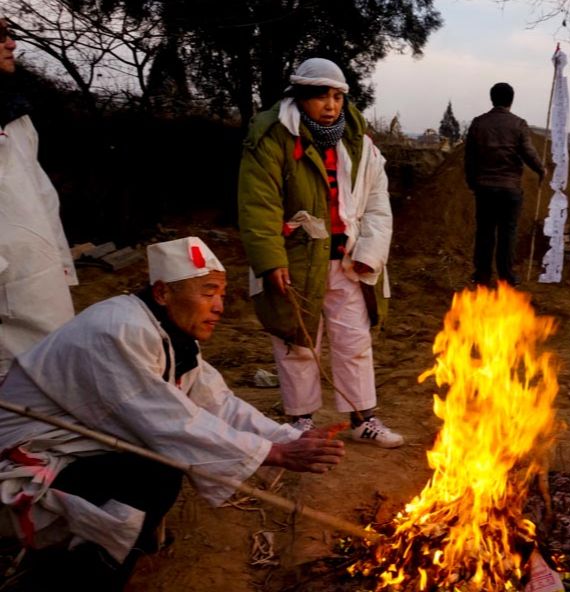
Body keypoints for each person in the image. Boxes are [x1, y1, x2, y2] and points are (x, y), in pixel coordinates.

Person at [0, 237, 346, 590]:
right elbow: (169, 424)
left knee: (158, 472)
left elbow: (218, 403)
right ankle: (74, 577)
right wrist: (275, 454)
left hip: (75, 451)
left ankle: (115, 549)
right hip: (27, 463)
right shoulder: (117, 330)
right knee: (154, 474)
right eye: (208, 293)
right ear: (163, 293)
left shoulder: (170, 336)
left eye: (222, 295)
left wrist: (289, 438)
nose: (219, 307)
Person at [238, 58, 402, 447]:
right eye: (321, 96)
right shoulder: (272, 138)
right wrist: (271, 260)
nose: (330, 105)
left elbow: (378, 204)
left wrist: (371, 251)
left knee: (354, 341)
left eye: (337, 96)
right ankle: (300, 421)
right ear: (300, 96)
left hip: (348, 261)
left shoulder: (360, 143)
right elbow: (258, 205)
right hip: (295, 260)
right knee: (296, 340)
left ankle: (363, 418)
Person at [0, 15, 77, 379]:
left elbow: (43, 198)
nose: (12, 43)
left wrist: (62, 266)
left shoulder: (14, 114)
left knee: (52, 383)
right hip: (7, 289)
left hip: (38, 281)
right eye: (0, 36)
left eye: (10, 34)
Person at [464, 82, 546, 287]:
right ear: (511, 100)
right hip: (510, 189)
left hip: (484, 188)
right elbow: (528, 152)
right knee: (507, 233)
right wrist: (541, 169)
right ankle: (506, 276)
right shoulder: (518, 124)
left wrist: (472, 182)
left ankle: (482, 275)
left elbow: (470, 157)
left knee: (484, 232)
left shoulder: (478, 123)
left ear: (492, 98)